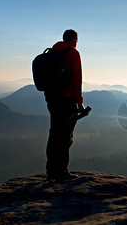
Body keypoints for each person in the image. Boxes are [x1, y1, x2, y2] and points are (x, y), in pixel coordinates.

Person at [45, 29, 85, 181]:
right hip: (67, 102)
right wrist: (79, 103)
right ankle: (62, 172)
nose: (76, 44)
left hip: (52, 101)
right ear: (73, 40)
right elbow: (77, 80)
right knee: (65, 137)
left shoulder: (52, 53)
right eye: (76, 41)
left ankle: (51, 171)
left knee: (54, 134)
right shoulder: (73, 53)